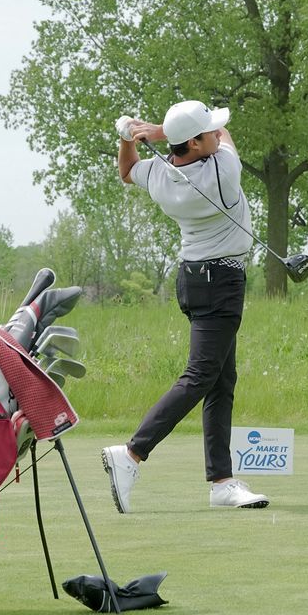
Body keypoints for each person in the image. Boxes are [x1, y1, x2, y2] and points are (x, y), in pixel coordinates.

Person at [101, 100, 269, 512]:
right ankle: (132, 453)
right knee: (200, 377)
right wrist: (160, 130)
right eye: (208, 132)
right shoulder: (222, 170)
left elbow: (126, 171)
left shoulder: (161, 174)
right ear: (194, 143)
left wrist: (130, 137)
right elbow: (226, 140)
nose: (217, 133)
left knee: (220, 380)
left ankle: (222, 482)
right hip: (222, 283)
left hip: (193, 281)